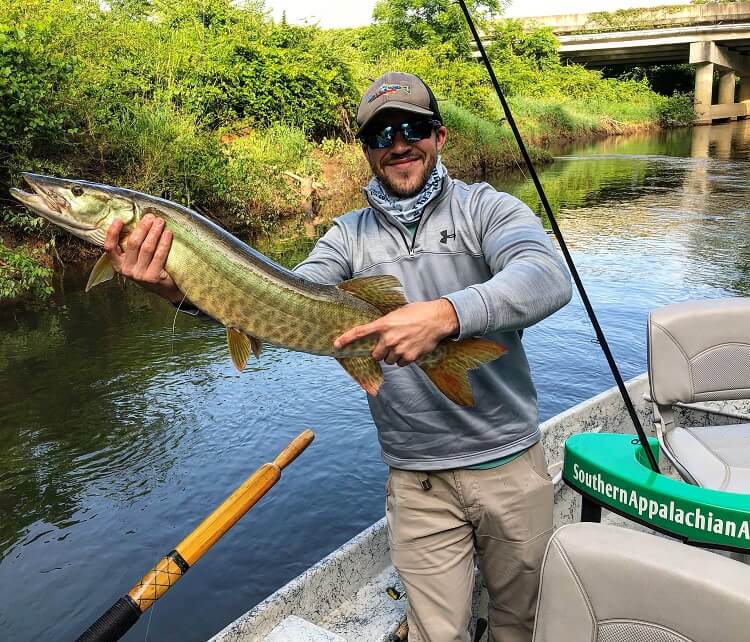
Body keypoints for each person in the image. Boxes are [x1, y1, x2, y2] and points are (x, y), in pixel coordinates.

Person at [104, 72, 572, 642]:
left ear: (439, 136)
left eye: (412, 128)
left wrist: (447, 314)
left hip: (508, 465)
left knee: (521, 624)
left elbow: (546, 277)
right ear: (368, 151)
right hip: (418, 481)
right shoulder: (347, 238)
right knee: (436, 635)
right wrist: (183, 290)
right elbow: (283, 298)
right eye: (382, 135)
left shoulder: (486, 208)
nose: (399, 144)